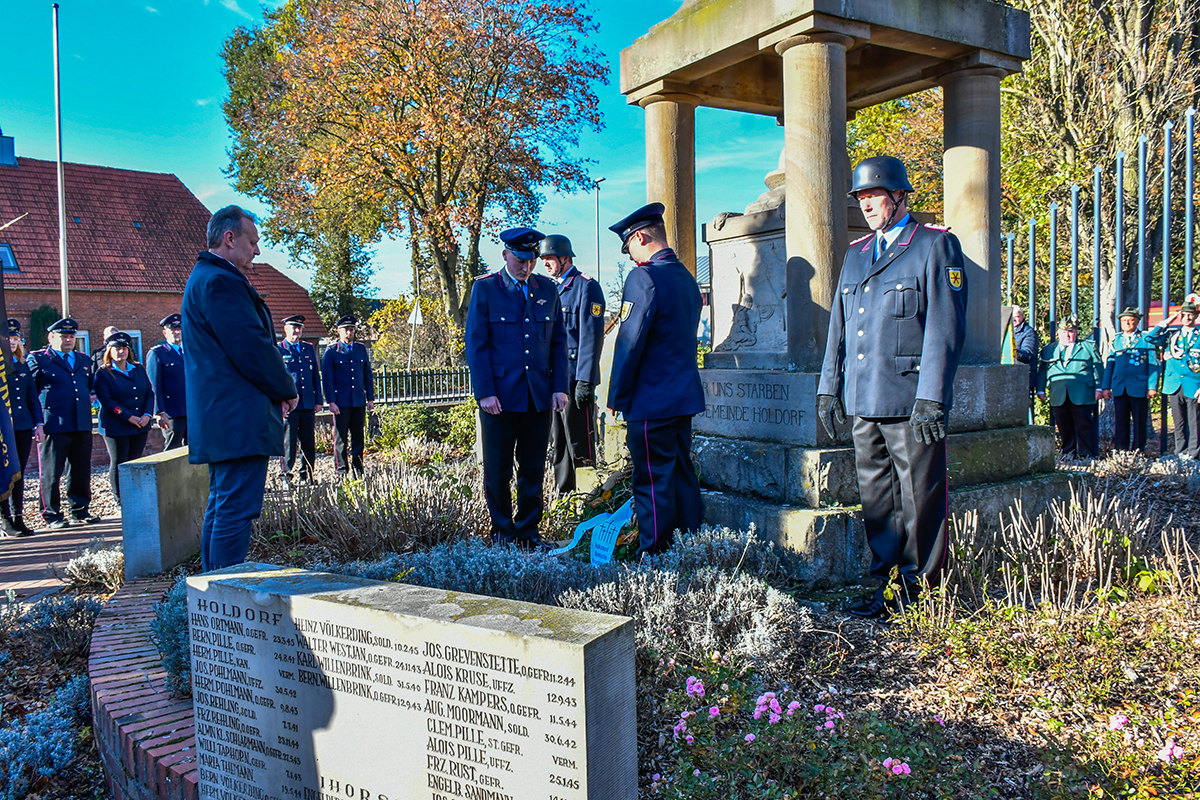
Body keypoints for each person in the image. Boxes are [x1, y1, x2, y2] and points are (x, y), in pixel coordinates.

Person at [817, 156, 968, 620]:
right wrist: (829, 387)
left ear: (899, 196)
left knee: (921, 497)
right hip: (864, 398)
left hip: (909, 400)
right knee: (877, 497)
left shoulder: (932, 246)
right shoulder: (857, 253)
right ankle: (886, 587)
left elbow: (945, 326)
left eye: (873, 196)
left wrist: (932, 397)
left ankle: (923, 592)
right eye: (860, 198)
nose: (865, 204)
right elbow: (838, 328)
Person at [184, 205, 298, 572]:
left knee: (222, 505)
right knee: (235, 508)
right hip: (236, 418)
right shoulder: (220, 281)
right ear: (229, 238)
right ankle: (223, 606)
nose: (258, 251)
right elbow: (251, 347)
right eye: (253, 241)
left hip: (224, 417)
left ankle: (211, 600)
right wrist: (285, 388)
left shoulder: (206, 277)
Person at [607, 203, 705, 558]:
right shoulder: (685, 277)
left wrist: (616, 395)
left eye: (629, 246)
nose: (630, 256)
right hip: (682, 396)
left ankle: (654, 555)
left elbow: (629, 343)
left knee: (651, 481)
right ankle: (690, 548)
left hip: (650, 400)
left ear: (640, 237)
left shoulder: (643, 277)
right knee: (681, 474)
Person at [465, 227, 569, 548]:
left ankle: (527, 532)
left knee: (533, 468)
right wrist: (484, 392)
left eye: (532, 260)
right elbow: (476, 344)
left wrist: (559, 387)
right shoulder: (485, 289)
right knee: (497, 470)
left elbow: (558, 342)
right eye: (520, 260)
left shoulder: (547, 290)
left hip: (537, 395)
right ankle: (502, 532)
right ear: (506, 255)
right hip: (499, 397)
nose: (526, 267)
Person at [539, 233, 605, 494]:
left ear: (565, 258)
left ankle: (589, 495)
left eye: (549, 258)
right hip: (554, 379)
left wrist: (586, 380)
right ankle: (564, 494)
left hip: (575, 377)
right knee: (558, 442)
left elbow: (591, 336)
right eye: (543, 258)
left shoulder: (585, 286)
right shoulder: (549, 289)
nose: (544, 263)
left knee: (579, 441)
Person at [28, 317, 99, 529]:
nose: (68, 340)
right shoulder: (39, 359)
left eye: (71, 336)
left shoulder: (83, 360)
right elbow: (31, 392)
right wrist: (36, 422)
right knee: (51, 471)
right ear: (51, 337)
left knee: (80, 469)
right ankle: (51, 514)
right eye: (63, 336)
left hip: (80, 422)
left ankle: (79, 510)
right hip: (54, 423)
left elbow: (88, 387)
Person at [93, 331, 155, 505]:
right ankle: (121, 498)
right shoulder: (104, 373)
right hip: (116, 424)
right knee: (120, 461)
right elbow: (107, 401)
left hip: (140, 424)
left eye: (124, 349)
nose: (121, 352)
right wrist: (129, 417)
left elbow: (149, 393)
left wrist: (146, 415)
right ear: (109, 351)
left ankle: (134, 494)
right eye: (117, 349)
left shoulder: (138, 369)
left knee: (135, 460)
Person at [1037, 317, 1104, 458]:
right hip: (1058, 393)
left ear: (1076, 332)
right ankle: (1068, 453)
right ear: (1059, 333)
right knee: (1063, 425)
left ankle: (1087, 455)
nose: (1068, 335)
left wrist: (1099, 388)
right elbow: (1042, 370)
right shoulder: (1049, 350)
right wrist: (1041, 389)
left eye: (1071, 332)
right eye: (1064, 332)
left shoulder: (1088, 347)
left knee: (1084, 424)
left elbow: (1098, 368)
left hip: (1082, 393)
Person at [1102, 308, 1165, 452]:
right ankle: (1121, 451)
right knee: (1121, 422)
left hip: (1139, 386)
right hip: (1120, 386)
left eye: (1131, 320)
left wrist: (1152, 386)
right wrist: (1106, 386)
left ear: (1137, 321)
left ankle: (1138, 451)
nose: (1127, 323)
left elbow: (1153, 364)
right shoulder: (1116, 340)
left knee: (1139, 422)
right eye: (1124, 320)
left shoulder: (1146, 338)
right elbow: (1110, 364)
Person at [1, 320, 42, 536]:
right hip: (3, 428)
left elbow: (32, 398)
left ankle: (18, 517)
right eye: (8, 339)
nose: (13, 343)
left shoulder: (23, 365)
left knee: (19, 472)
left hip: (23, 425)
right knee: (4, 472)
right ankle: (5, 519)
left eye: (16, 339)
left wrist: (39, 424)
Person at [320, 315, 374, 478]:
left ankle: (358, 467)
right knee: (341, 438)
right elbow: (327, 379)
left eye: (351, 330)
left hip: (358, 400)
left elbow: (367, 375)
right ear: (339, 331)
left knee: (358, 436)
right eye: (346, 330)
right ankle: (341, 469)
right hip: (341, 402)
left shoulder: (360, 349)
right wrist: (331, 401)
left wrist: (370, 398)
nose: (349, 333)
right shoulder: (332, 351)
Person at [278, 314, 323, 482]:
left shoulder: (308, 348)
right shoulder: (279, 349)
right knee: (288, 443)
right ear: (285, 329)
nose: (296, 331)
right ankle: (285, 475)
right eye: (293, 328)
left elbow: (314, 376)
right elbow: (278, 379)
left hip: (308, 403)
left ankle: (307, 474)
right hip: (290, 405)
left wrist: (319, 400)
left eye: (299, 328)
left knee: (308, 442)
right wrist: (282, 402)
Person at [1160, 300, 1200, 458]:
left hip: (1194, 385)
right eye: (1184, 315)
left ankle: (1194, 455)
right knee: (1179, 423)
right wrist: (1167, 322)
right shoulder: (1172, 335)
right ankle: (1180, 454)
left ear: (1196, 316)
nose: (1187, 317)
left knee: (1195, 423)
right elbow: (1150, 338)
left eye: (1191, 315)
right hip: (1174, 384)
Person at [146, 314, 188, 450]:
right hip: (172, 412)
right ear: (165, 333)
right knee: (172, 449)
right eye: (173, 330)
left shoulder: (190, 351)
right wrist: (159, 411)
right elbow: (154, 385)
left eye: (179, 329)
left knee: (195, 449)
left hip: (191, 409)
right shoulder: (158, 354)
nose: (177, 332)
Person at [1012, 306, 1038, 413]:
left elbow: (1028, 354)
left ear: (1022, 317)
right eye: (1011, 317)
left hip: (1022, 378)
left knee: (1022, 412)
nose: (1014, 320)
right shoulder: (1004, 329)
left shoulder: (1029, 332)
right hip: (1008, 374)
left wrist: (1012, 351)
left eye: (1017, 317)